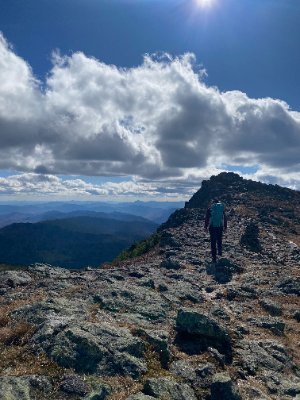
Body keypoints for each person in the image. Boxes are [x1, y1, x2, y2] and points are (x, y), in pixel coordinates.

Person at [204, 198, 227, 263]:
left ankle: (214, 258)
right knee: (219, 240)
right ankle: (220, 253)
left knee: (213, 242)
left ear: (213, 203)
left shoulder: (210, 209)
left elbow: (207, 219)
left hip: (212, 227)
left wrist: (205, 227)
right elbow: (225, 218)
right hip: (220, 227)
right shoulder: (221, 209)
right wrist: (225, 227)